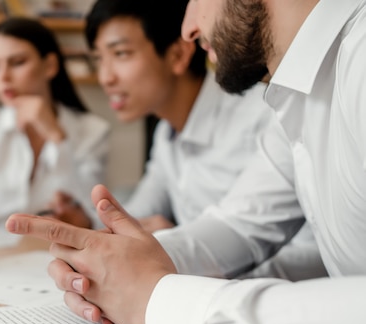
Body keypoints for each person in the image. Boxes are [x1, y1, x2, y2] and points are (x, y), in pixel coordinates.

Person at [5, 0, 366, 324]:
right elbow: (240, 223)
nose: (189, 28)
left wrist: (157, 297)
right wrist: (121, 263)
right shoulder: (296, 92)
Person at [48, 0, 325, 280]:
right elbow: (136, 216)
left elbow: (305, 248)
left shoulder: (263, 115)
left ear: (178, 55)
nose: (105, 77)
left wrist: (175, 250)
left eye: (120, 54)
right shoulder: (166, 134)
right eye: (98, 59)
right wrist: (91, 225)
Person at [0, 17, 110, 232]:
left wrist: (57, 136)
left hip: (57, 251)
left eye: (17, 62)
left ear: (50, 65)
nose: (3, 76)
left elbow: (92, 214)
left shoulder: (92, 130)